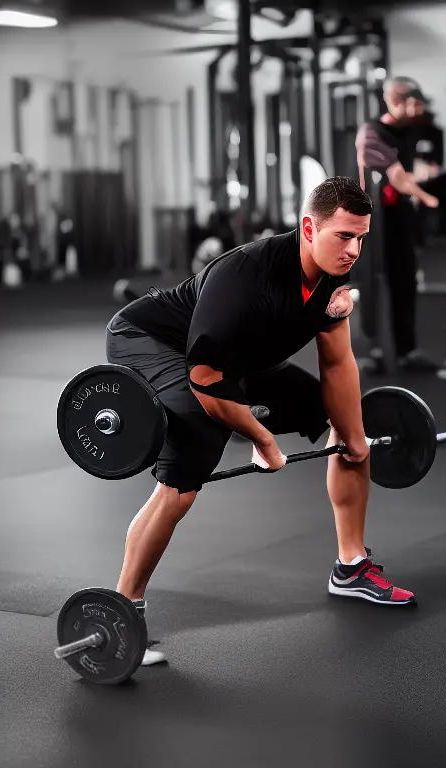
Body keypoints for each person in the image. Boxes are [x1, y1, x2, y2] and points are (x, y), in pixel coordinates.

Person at [105, 177, 416, 668]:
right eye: (344, 237)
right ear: (309, 228)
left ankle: (351, 565)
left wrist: (354, 434)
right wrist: (262, 438)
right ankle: (122, 611)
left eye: (361, 238)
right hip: (153, 341)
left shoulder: (333, 279)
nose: (354, 250)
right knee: (190, 465)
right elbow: (206, 380)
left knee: (340, 420)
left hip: (236, 359)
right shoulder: (245, 278)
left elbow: (337, 365)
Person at [354, 78, 441, 376]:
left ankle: (407, 351)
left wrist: (425, 175)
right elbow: (398, 178)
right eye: (415, 104)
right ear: (396, 101)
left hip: (399, 217)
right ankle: (374, 352)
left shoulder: (410, 130)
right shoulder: (371, 133)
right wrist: (427, 197)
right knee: (375, 282)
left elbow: (414, 169)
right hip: (372, 222)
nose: (419, 110)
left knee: (406, 280)